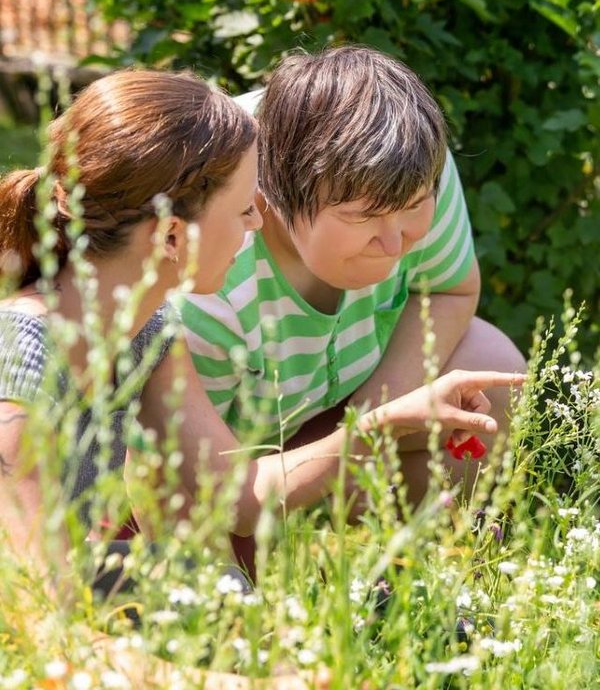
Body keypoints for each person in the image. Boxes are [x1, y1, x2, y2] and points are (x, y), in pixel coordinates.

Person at [0, 67, 523, 589]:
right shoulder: (24, 355)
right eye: (244, 209)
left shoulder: (147, 331)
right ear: (172, 236)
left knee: (224, 596)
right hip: (39, 599)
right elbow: (46, 607)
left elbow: (240, 495)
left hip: (73, 575)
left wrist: (385, 421)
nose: (256, 224)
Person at [180, 45, 527, 512]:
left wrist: (363, 427)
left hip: (348, 400)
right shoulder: (208, 266)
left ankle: (390, 560)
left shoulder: (409, 161)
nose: (394, 243)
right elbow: (201, 477)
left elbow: (450, 288)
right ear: (273, 197)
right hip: (228, 455)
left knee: (491, 367)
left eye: (412, 207)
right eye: (363, 216)